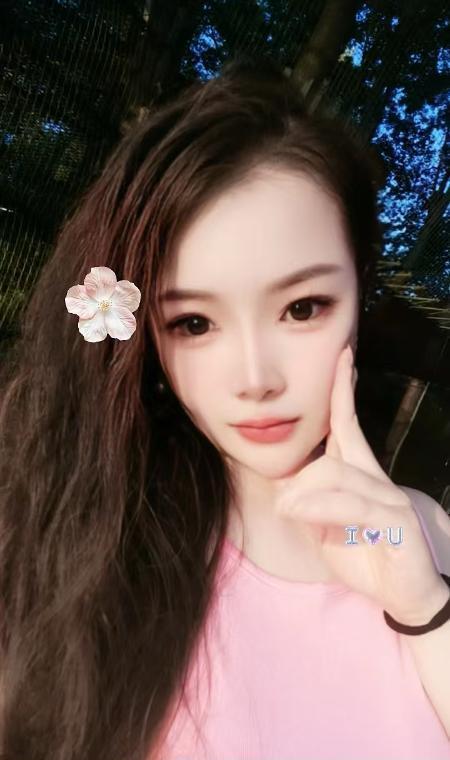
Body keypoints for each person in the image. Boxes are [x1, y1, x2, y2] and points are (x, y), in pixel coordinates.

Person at [0, 55, 449, 760]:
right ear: (146, 337)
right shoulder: (76, 537)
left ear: (360, 294)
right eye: (194, 323)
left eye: (302, 308)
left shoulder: (416, 530)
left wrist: (424, 606)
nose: (255, 379)